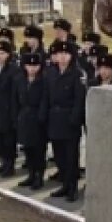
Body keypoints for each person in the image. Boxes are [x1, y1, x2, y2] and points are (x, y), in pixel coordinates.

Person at [44, 39, 86, 202]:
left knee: (71, 156)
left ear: (71, 56)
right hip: (54, 118)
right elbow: (47, 95)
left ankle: (72, 188)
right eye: (59, 54)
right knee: (59, 155)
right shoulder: (52, 72)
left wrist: (74, 119)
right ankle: (64, 184)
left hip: (69, 120)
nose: (62, 57)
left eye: (65, 54)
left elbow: (79, 100)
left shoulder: (77, 74)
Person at [14, 52, 49, 190]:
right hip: (24, 116)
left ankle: (39, 176)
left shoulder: (44, 81)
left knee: (39, 150)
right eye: (29, 65)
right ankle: (31, 174)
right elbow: (15, 99)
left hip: (38, 118)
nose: (32, 68)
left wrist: (41, 117)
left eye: (35, 66)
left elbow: (45, 100)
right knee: (27, 148)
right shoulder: (19, 80)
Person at [0, 40, 20, 177]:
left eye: (3, 53)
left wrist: (14, 112)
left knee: (9, 140)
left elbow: (14, 92)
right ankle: (3, 163)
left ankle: (10, 166)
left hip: (9, 108)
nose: (0, 56)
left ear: (9, 54)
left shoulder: (13, 69)